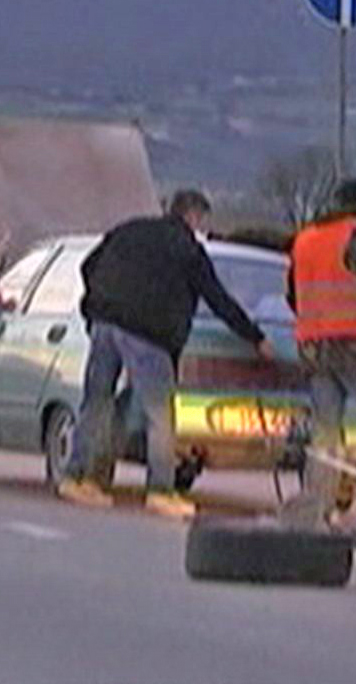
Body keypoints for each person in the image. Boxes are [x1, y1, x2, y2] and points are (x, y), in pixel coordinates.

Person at [56, 189, 276, 518]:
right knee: (161, 415)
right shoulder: (187, 249)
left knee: (97, 402)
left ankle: (77, 478)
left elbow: (89, 265)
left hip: (105, 323)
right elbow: (217, 299)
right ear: (194, 217)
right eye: (202, 221)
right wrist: (256, 338)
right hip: (148, 334)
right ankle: (161, 490)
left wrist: (99, 301)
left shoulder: (128, 230)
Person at [281, 177, 356, 530]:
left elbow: (292, 295)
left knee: (325, 435)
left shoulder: (305, 239)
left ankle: (314, 512)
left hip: (314, 349)